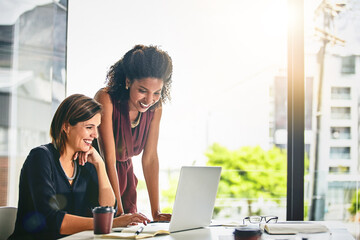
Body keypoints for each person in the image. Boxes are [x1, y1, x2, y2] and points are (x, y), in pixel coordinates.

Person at [9, 94, 149, 240]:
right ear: (66, 126)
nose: (95, 135)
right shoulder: (40, 158)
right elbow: (52, 220)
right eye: (89, 127)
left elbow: (109, 210)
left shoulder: (85, 163)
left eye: (97, 127)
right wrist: (111, 223)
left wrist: (100, 165)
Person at [94, 44, 172, 221]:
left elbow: (150, 158)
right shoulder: (105, 99)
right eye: (142, 91)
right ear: (128, 81)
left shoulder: (155, 109)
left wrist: (156, 212)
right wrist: (118, 212)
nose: (149, 100)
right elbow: (109, 160)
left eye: (157, 93)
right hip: (99, 179)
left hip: (126, 182)